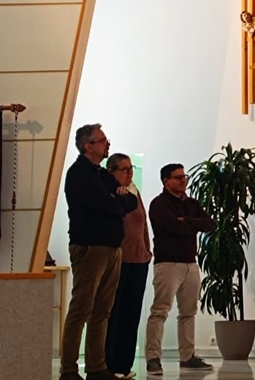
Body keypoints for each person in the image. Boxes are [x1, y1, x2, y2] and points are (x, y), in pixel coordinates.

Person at [60, 124, 139, 380]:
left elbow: (131, 201)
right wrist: (117, 200)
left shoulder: (100, 173)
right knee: (81, 309)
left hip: (112, 247)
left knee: (103, 310)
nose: (108, 144)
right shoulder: (79, 174)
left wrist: (119, 199)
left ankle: (96, 367)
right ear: (88, 146)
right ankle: (69, 369)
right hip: (90, 247)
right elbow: (108, 205)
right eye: (102, 140)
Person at [145, 164, 215, 375]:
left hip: (190, 264)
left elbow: (210, 224)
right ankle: (153, 358)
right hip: (168, 264)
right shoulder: (159, 204)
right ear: (166, 181)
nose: (183, 180)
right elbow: (174, 227)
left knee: (188, 312)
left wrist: (188, 221)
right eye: (177, 177)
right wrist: (192, 225)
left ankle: (187, 356)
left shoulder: (192, 203)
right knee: (160, 311)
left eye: (184, 176)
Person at [104, 153, 152, 380]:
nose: (129, 173)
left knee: (132, 314)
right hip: (119, 260)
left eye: (131, 168)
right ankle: (110, 364)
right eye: (124, 169)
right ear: (111, 172)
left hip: (139, 260)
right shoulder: (109, 193)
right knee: (115, 313)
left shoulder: (134, 191)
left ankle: (125, 364)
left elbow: (143, 225)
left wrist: (147, 251)